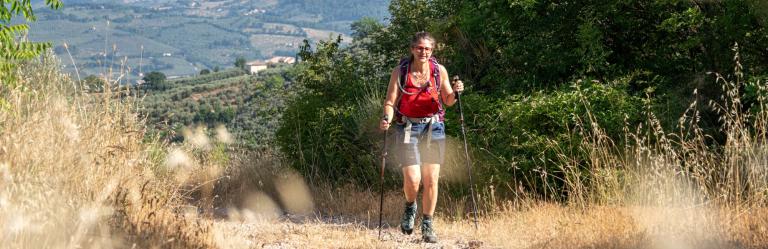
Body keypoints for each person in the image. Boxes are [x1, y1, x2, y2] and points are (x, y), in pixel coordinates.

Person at [379, 31, 464, 243]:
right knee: (413, 179)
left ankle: (427, 224)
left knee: (431, 179)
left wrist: (456, 92)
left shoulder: (438, 71)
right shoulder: (400, 72)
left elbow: (448, 100)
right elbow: (390, 101)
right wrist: (387, 119)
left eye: (427, 48)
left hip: (434, 128)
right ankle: (410, 206)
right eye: (419, 48)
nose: (423, 51)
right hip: (408, 128)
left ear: (432, 50)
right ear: (412, 49)